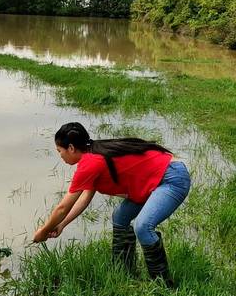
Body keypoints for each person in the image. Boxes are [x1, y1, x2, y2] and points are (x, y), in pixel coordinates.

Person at [32, 122, 191, 287]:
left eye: (60, 151)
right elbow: (85, 198)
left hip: (171, 179)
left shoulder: (90, 162)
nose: (61, 156)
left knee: (143, 227)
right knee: (120, 216)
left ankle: (163, 286)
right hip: (153, 180)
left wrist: (43, 231)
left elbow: (63, 208)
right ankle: (123, 271)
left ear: (71, 148)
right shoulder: (93, 156)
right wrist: (62, 225)